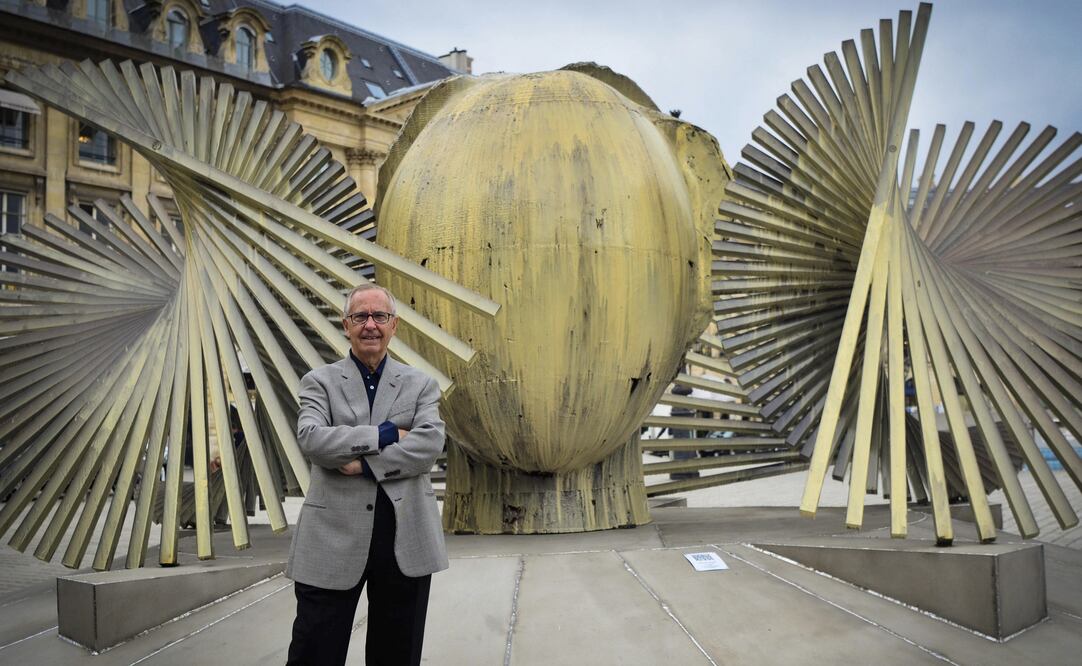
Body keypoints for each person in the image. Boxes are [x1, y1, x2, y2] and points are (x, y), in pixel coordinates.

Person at [286, 283, 447, 666]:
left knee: (396, 655)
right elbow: (313, 439)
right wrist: (388, 434)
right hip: (331, 540)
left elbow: (429, 445)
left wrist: (363, 463)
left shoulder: (421, 385)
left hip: (404, 539)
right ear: (346, 325)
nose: (370, 325)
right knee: (314, 653)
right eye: (361, 316)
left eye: (380, 316)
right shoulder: (319, 382)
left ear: (394, 325)